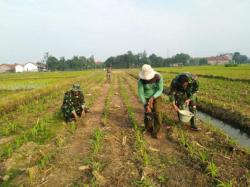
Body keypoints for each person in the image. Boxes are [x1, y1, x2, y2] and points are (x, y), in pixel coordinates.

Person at [138, 64, 164, 139]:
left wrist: (153, 97)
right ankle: (148, 128)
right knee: (148, 113)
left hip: (156, 95)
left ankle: (157, 131)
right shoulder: (141, 80)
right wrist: (146, 104)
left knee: (157, 112)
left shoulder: (158, 77)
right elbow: (141, 93)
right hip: (146, 97)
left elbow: (160, 89)